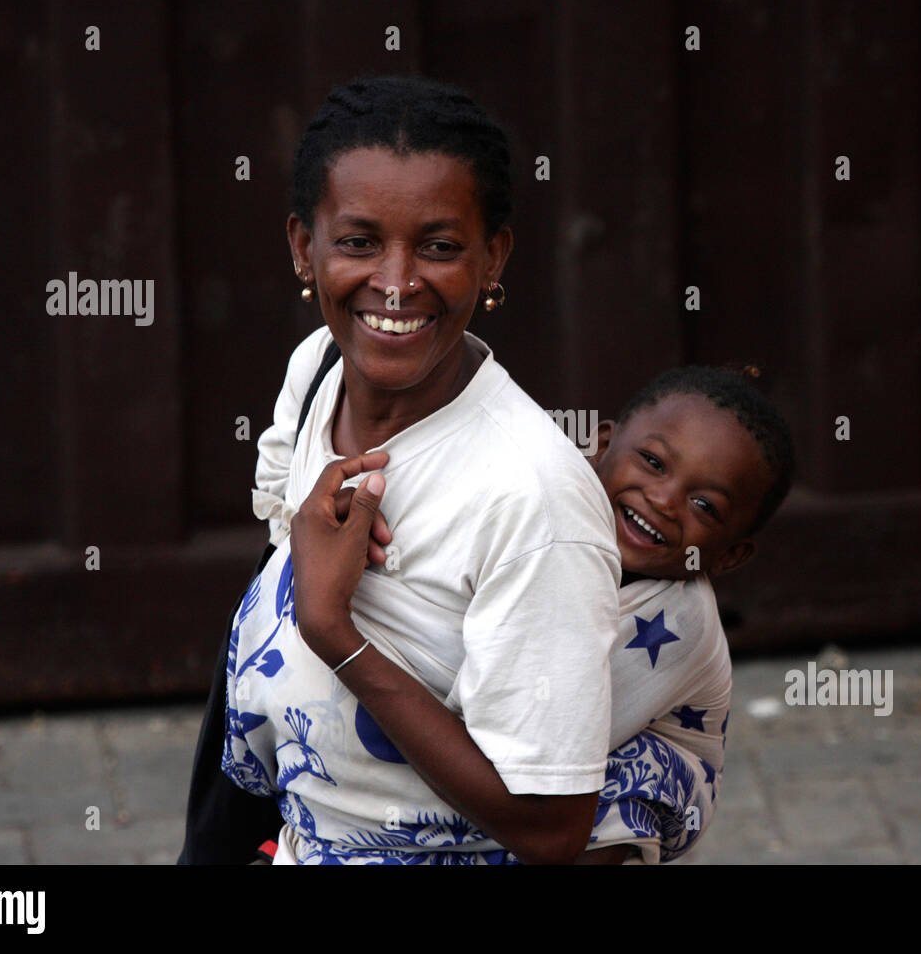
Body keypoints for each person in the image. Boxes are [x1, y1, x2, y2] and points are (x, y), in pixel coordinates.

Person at [182, 73, 623, 866]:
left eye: (440, 246)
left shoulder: (530, 496)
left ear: (494, 258)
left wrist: (333, 630)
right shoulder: (317, 370)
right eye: (358, 242)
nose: (395, 283)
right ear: (302, 247)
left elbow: (553, 827)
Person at [242, 344, 793, 862]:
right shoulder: (530, 509)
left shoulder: (676, 620)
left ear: (729, 556)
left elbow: (522, 745)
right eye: (652, 461)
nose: (664, 500)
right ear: (600, 444)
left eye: (704, 504)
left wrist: (342, 630)